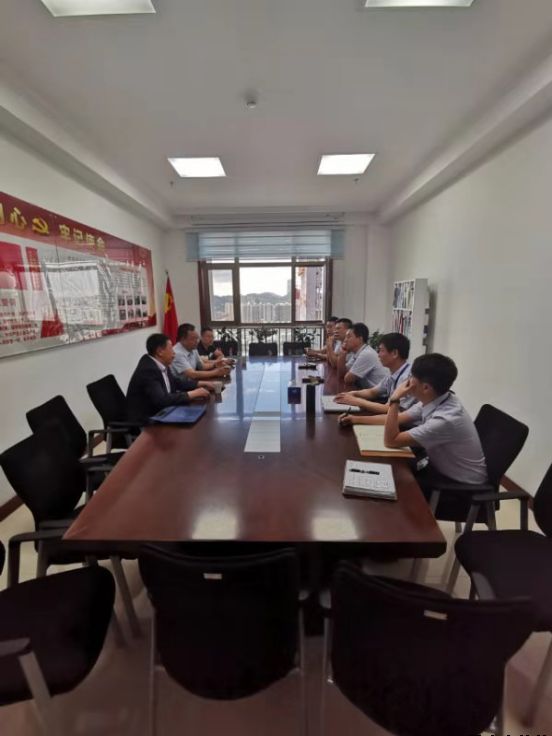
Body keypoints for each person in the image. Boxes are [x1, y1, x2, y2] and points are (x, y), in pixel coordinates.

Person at [383, 353, 487, 490]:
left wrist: (395, 397)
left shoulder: (446, 420)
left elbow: (391, 440)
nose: (407, 381)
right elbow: (400, 418)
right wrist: (357, 419)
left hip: (458, 484)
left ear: (426, 388)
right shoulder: (438, 398)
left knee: (395, 482)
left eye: (412, 377)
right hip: (437, 465)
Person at [126, 333, 210, 422]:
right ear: (160, 352)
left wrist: (200, 383)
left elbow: (176, 382)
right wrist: (192, 394)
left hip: (162, 412)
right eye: (171, 349)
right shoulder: (148, 370)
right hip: (146, 420)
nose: (174, 353)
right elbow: (161, 400)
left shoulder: (161, 363)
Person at [336, 332, 415, 417]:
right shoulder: (393, 373)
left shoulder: (407, 377)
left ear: (395, 353)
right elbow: (372, 392)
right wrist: (352, 394)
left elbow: (394, 410)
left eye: (381, 350)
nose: (378, 355)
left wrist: (357, 401)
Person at [337, 322, 388, 389]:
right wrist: (342, 356)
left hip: (380, 394)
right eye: (345, 337)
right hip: (368, 391)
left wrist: (341, 356)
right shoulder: (357, 352)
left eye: (348, 337)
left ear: (360, 339)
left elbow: (348, 379)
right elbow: (342, 374)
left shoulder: (366, 354)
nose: (345, 340)